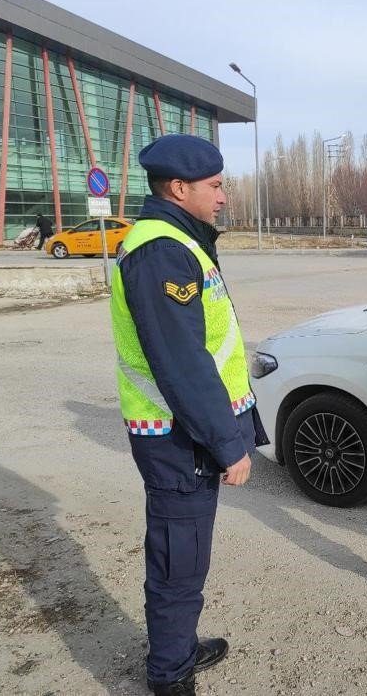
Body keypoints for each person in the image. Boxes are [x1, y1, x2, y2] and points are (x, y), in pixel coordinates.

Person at [110, 134, 269, 695]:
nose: (223, 197)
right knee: (179, 558)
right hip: (176, 436)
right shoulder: (162, 251)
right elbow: (183, 363)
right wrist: (227, 444)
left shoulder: (180, 241)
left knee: (188, 553)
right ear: (179, 188)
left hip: (185, 430)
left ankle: (176, 647)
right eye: (215, 186)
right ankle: (170, 673)